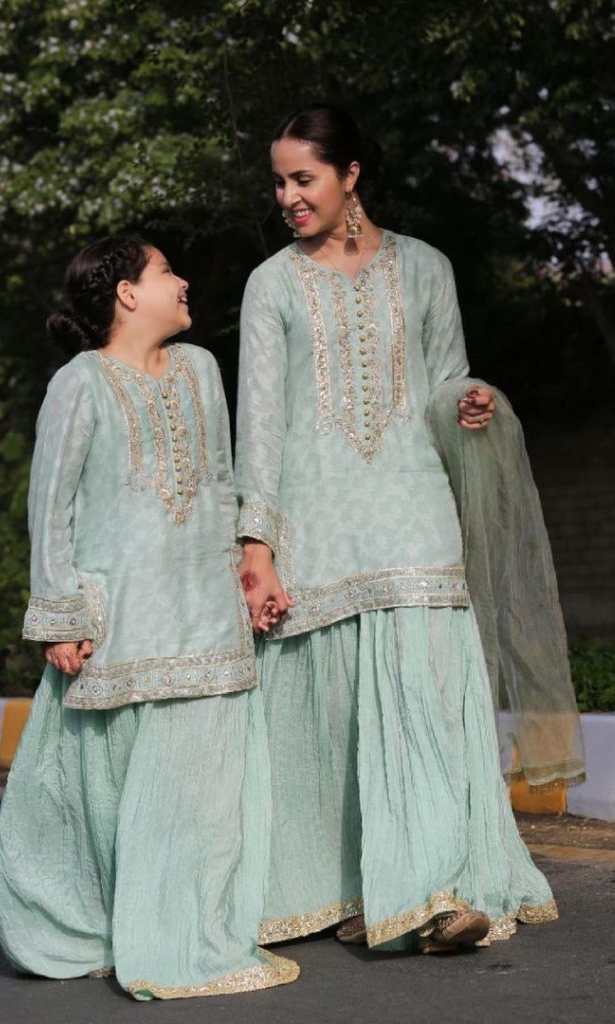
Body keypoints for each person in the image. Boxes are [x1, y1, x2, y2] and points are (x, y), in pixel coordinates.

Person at [234, 105, 584, 954]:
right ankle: (352, 888)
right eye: (279, 181)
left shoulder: (426, 268)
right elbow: (263, 423)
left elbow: (442, 379)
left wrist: (469, 402)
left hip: (414, 507)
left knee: (425, 697)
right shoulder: (271, 283)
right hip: (318, 521)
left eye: (303, 177)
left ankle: (438, 888)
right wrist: (257, 546)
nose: (288, 196)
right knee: (335, 717)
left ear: (351, 173)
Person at [0, 235, 299, 998]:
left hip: (206, 610)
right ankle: (126, 929)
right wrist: (59, 613)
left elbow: (222, 482)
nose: (184, 280)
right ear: (128, 292)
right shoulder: (81, 383)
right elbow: (50, 507)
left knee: (209, 787)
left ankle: (193, 928)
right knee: (117, 787)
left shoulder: (201, 369)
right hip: (122, 620)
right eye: (167, 271)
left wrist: (253, 571)